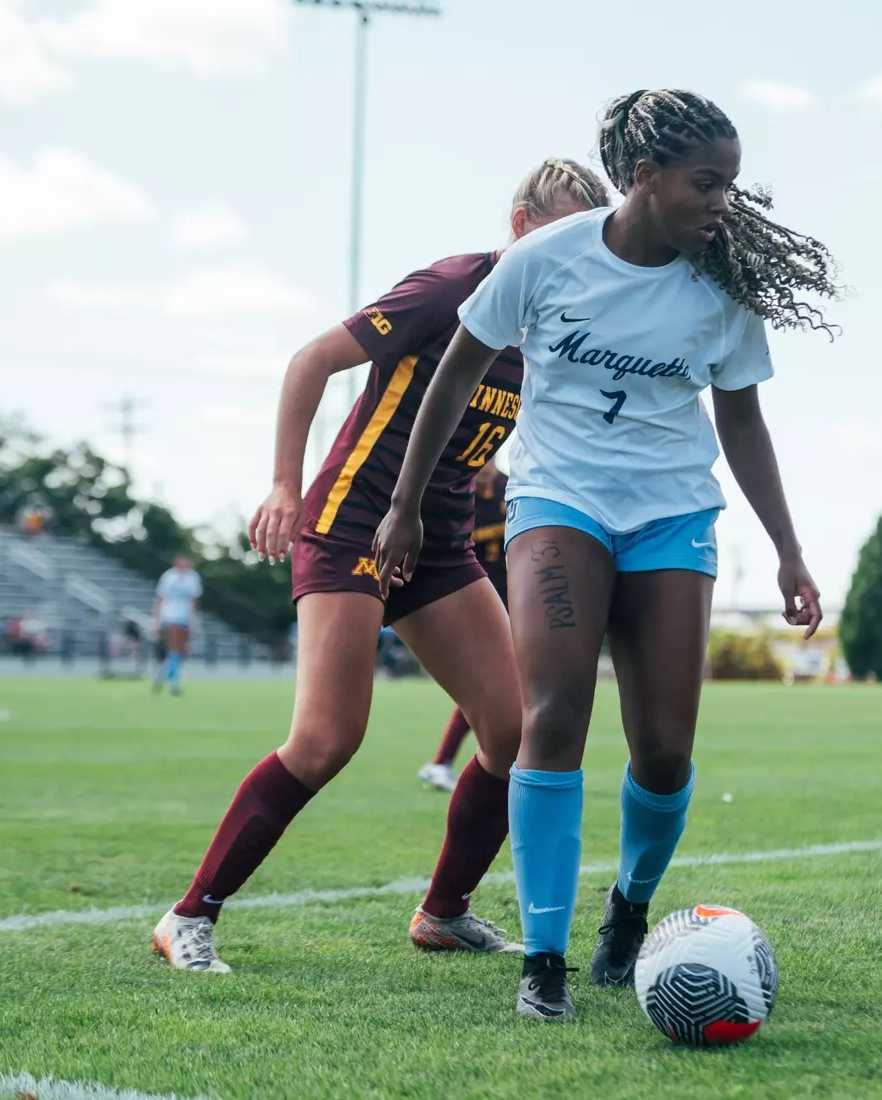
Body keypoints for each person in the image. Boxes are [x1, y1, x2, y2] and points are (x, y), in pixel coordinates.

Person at [372, 89, 833, 1021]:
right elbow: (457, 369)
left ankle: (627, 910)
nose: (723, 203)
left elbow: (740, 419)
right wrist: (408, 504)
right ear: (643, 177)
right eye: (707, 183)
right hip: (560, 505)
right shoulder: (546, 259)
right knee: (553, 716)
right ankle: (543, 959)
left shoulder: (723, 287)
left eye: (732, 185)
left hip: (672, 516)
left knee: (664, 750)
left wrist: (789, 549)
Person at [151, 158, 612, 975]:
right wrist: (285, 485)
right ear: (519, 227)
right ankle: (189, 916)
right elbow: (310, 361)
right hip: (353, 522)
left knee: (517, 731)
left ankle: (444, 912)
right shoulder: (451, 285)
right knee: (328, 739)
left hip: (439, 544)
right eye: (563, 234)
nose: (576, 257)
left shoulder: (554, 328)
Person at [417, 459, 509, 793]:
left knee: (504, 688)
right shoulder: (459, 495)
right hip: (477, 605)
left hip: (516, 603)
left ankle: (444, 763)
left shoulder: (512, 490)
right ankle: (444, 763)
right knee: (488, 686)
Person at [152, 555, 202, 696]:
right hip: (170, 616)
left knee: (179, 651)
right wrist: (157, 619)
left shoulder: (192, 577)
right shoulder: (168, 576)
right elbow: (160, 598)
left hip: (185, 617)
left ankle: (163, 676)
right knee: (174, 649)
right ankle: (173, 683)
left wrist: (194, 619)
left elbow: (195, 600)